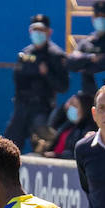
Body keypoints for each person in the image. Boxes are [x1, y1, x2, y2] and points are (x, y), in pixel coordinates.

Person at [4, 13, 68, 149]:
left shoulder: (56, 55)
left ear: (49, 32)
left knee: (42, 143)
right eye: (35, 30)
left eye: (41, 30)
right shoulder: (25, 54)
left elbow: (63, 87)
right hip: (21, 107)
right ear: (30, 31)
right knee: (9, 145)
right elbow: (17, 80)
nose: (38, 34)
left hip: (42, 108)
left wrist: (47, 74)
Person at [66, 0, 105, 79]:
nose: (100, 19)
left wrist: (84, 66)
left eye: (104, 16)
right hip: (88, 89)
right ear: (93, 18)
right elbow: (70, 62)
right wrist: (91, 58)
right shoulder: (88, 41)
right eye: (97, 16)